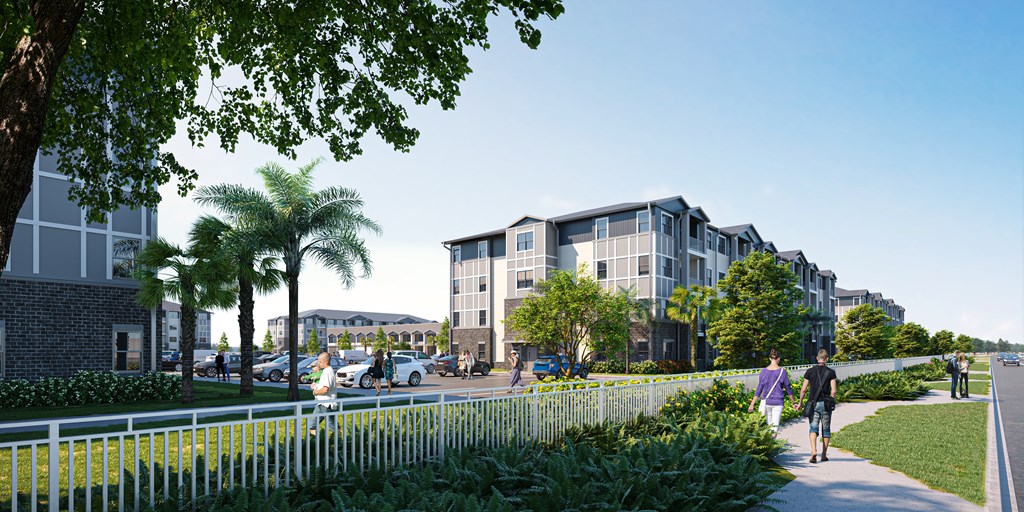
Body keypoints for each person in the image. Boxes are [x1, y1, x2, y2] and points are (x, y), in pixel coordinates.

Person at [798, 349, 837, 464]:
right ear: (827, 359)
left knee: (813, 427)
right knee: (826, 429)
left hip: (813, 404)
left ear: (817, 358)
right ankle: (824, 455)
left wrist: (800, 402)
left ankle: (813, 451)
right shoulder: (831, 372)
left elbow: (804, 389)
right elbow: (833, 391)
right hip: (825, 404)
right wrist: (832, 401)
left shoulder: (809, 371)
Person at [747, 348, 794, 436]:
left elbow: (759, 389)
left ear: (769, 358)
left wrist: (752, 404)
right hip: (778, 402)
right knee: (774, 428)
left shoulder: (763, 371)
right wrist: (793, 402)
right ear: (778, 358)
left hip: (767, 402)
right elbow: (788, 388)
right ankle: (772, 447)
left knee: (769, 428)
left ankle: (770, 446)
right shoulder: (782, 372)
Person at [308, 352, 337, 436]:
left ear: (326, 361)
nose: (319, 364)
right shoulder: (325, 371)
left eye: (320, 362)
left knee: (333, 426)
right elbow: (323, 386)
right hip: (321, 403)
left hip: (327, 404)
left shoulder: (328, 372)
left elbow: (325, 389)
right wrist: (316, 386)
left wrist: (315, 392)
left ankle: (342, 441)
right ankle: (314, 441)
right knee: (312, 425)